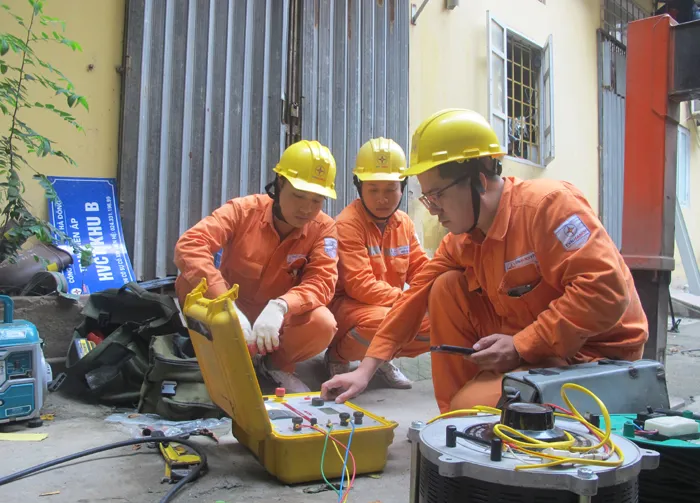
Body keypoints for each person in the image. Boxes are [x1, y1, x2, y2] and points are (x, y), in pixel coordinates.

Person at [321, 108, 649, 413]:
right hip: (537, 347)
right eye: (427, 198)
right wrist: (365, 371)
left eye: (437, 195)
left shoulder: (549, 207)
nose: (433, 210)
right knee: (444, 287)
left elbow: (605, 291)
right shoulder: (463, 239)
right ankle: (455, 419)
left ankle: (465, 416)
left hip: (593, 356)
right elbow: (414, 294)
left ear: (478, 181)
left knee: (471, 406)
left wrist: (521, 345)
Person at [174, 140, 340, 393]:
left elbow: (322, 281)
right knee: (188, 281)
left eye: (317, 200)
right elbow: (190, 244)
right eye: (298, 195)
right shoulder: (242, 210)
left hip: (277, 323)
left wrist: (281, 306)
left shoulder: (324, 229)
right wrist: (226, 305)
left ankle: (275, 366)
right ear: (280, 183)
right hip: (228, 312)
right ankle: (216, 353)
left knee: (323, 323)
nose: (306, 208)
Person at [325, 137, 431, 389]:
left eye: (390, 189)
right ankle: (338, 356)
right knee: (387, 320)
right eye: (373, 189)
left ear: (402, 187)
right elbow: (360, 285)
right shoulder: (348, 223)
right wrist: (411, 301)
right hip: (350, 308)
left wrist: (436, 293)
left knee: (440, 320)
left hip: (389, 304)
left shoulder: (404, 222)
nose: (382, 198)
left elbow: (421, 268)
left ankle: (381, 358)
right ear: (359, 187)